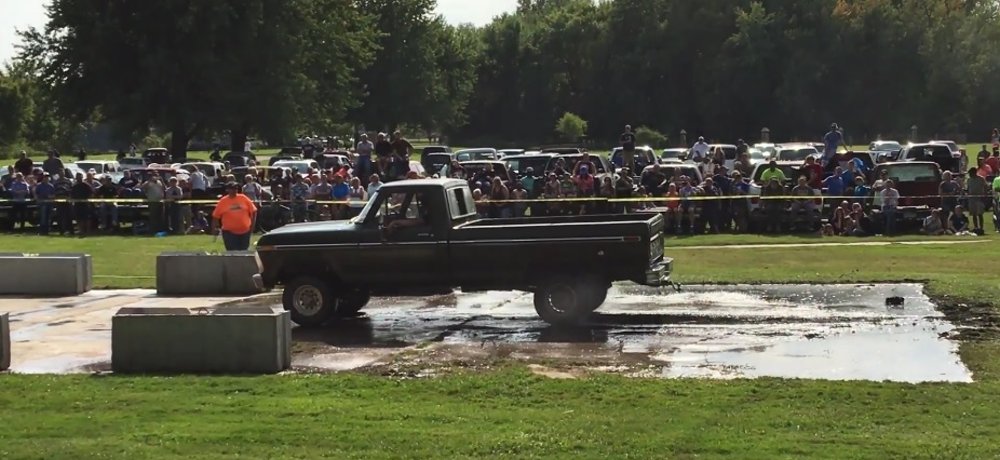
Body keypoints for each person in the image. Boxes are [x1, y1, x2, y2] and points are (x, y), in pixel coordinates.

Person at [212, 182, 258, 251]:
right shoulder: (223, 201)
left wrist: (252, 225)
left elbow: (254, 211)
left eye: (236, 188)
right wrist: (216, 228)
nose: (234, 190)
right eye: (232, 188)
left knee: (244, 253)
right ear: (227, 190)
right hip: (229, 233)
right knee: (232, 253)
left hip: (245, 232)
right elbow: (215, 216)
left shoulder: (243, 198)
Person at [966, 167, 988, 234]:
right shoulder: (969, 180)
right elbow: (968, 188)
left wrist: (985, 194)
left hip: (979, 198)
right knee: (974, 214)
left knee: (980, 214)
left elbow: (985, 187)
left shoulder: (981, 179)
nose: (969, 174)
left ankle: (981, 228)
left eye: (970, 173)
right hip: (971, 198)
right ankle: (976, 227)